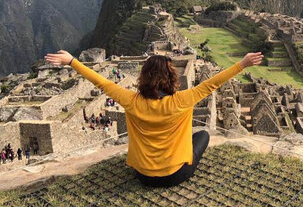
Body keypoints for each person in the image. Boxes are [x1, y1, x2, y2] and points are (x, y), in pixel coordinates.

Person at [45, 49, 263, 187]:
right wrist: (242, 64)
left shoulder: (131, 100)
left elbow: (101, 82)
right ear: (171, 76)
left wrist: (72, 61)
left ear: (144, 76)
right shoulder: (182, 100)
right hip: (176, 174)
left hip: (143, 176)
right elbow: (211, 84)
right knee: (203, 135)